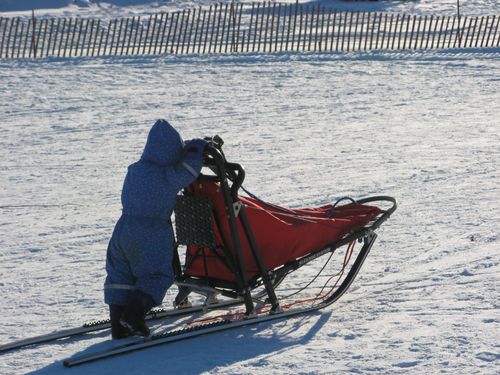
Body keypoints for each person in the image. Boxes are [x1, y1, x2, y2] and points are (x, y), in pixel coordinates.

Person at [104, 119, 207, 339]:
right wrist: (196, 148)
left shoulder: (136, 170)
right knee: (158, 274)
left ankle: (117, 325)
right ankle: (134, 314)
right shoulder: (167, 175)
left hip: (123, 229)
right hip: (150, 231)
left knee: (120, 276)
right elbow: (189, 170)